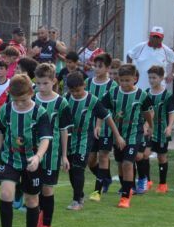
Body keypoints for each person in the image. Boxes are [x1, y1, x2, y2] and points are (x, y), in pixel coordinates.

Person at [0, 75, 52, 227]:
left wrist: (37, 157)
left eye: (23, 100)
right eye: (15, 100)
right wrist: (0, 150)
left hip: (31, 161)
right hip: (10, 159)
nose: (19, 104)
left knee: (31, 200)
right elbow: (0, 129)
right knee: (6, 193)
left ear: (31, 93)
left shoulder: (40, 113)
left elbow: (45, 139)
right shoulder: (6, 109)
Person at [64, 71, 120, 210]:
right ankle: (80, 194)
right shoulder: (66, 98)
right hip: (70, 138)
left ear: (84, 85)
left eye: (78, 90)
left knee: (78, 168)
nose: (75, 93)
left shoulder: (92, 100)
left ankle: (77, 200)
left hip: (84, 138)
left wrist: (117, 136)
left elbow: (107, 117)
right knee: (71, 169)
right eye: (72, 91)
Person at [106, 64, 153, 208]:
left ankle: (125, 197)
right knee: (120, 164)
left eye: (128, 80)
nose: (125, 83)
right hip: (117, 134)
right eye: (122, 80)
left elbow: (147, 113)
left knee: (128, 163)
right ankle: (127, 187)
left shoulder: (142, 95)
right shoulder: (112, 93)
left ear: (135, 79)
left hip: (134, 133)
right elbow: (105, 113)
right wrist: (98, 126)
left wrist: (149, 126)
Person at [32, 63, 71, 227]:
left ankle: (47, 226)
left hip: (52, 153)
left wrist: (64, 155)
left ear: (54, 81)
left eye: (45, 83)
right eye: (39, 83)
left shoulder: (61, 103)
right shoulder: (32, 99)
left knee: (47, 188)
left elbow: (63, 130)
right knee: (35, 188)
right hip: (33, 152)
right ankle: (40, 214)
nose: (41, 87)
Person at [86, 53, 119, 200]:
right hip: (90, 126)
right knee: (90, 160)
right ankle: (105, 177)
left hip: (106, 127)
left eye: (100, 66)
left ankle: (97, 191)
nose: (96, 69)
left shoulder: (113, 85)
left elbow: (115, 106)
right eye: (95, 66)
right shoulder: (87, 83)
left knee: (104, 155)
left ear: (107, 68)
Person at [142, 65, 174, 194]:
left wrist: (169, 127)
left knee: (161, 157)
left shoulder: (167, 95)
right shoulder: (146, 93)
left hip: (162, 130)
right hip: (149, 130)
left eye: (154, 78)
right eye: (150, 77)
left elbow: (171, 113)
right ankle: (148, 181)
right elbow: (144, 112)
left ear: (161, 78)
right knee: (144, 155)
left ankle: (163, 184)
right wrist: (145, 125)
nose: (151, 80)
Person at [126, 26, 174, 90]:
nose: (155, 39)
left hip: (159, 88)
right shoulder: (141, 46)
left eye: (158, 37)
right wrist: (131, 70)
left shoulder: (166, 50)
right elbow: (129, 55)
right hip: (141, 86)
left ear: (162, 38)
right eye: (153, 36)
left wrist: (173, 74)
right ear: (150, 36)